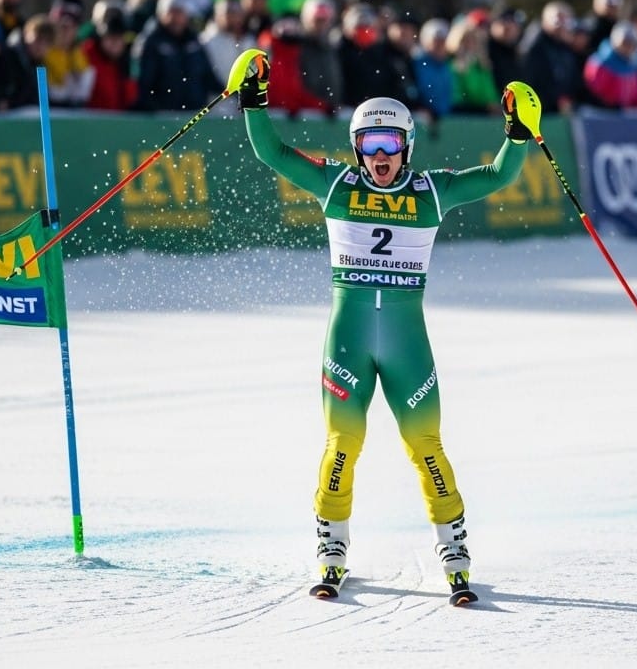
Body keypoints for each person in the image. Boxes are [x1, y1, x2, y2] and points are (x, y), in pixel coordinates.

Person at [227, 47, 541, 605]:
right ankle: (331, 549)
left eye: (390, 144)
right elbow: (270, 151)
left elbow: (498, 175)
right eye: (370, 144)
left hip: (405, 345)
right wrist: (255, 99)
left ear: (407, 147)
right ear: (356, 147)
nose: (380, 157)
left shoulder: (431, 192)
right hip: (349, 340)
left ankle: (454, 551)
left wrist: (517, 135)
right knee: (343, 442)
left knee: (425, 445)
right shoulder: (336, 185)